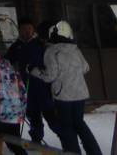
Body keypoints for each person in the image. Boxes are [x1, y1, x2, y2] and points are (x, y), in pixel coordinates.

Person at [30, 21, 101, 155]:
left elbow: (50, 76)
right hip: (80, 93)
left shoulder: (51, 51)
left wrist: (33, 71)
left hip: (63, 95)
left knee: (67, 126)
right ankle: (95, 152)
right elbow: (86, 68)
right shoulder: (75, 49)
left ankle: (72, 152)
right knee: (79, 124)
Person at [5, 18, 54, 144]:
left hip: (43, 87)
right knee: (34, 118)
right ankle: (36, 142)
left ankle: (67, 143)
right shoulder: (15, 47)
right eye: (24, 29)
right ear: (19, 30)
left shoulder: (41, 44)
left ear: (33, 30)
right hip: (26, 88)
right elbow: (6, 63)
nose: (27, 32)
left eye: (29, 29)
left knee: (52, 118)